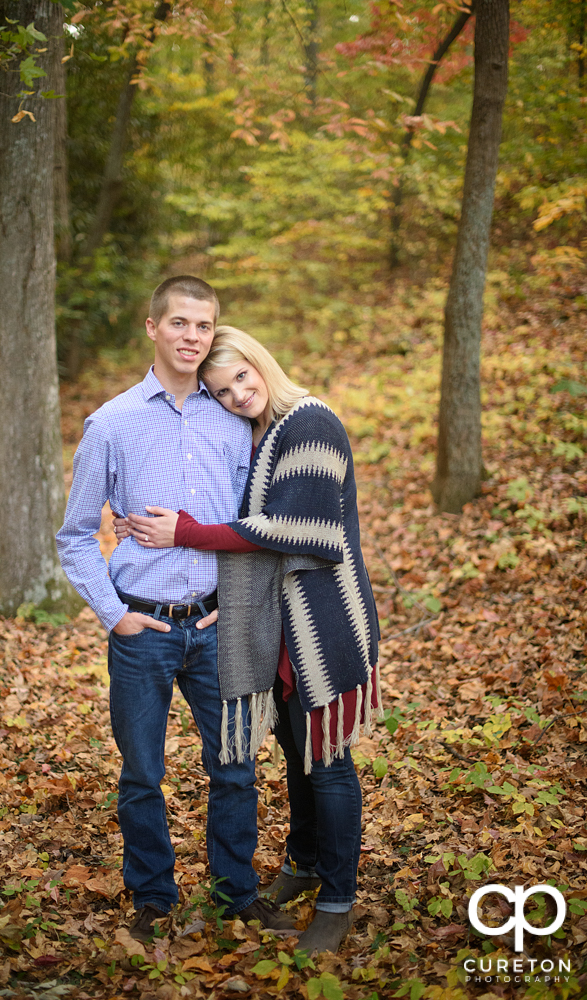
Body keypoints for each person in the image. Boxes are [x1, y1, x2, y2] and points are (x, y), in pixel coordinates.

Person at [113, 325, 382, 954]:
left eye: (241, 377)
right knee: (296, 754)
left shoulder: (310, 422)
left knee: (329, 762)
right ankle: (304, 864)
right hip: (279, 626)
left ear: (262, 362)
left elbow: (302, 531)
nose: (236, 395)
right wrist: (145, 522)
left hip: (324, 622)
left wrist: (189, 534)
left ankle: (337, 899)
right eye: (221, 389)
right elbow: (230, 505)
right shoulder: (263, 435)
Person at [56, 281, 296, 942]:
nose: (191, 336)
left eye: (203, 326)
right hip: (143, 628)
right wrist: (114, 615)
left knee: (236, 768)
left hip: (220, 624)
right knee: (141, 773)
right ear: (152, 327)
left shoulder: (237, 419)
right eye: (179, 323)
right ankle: (153, 900)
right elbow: (75, 535)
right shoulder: (111, 425)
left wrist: (239, 602)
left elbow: (254, 525)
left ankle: (235, 896)